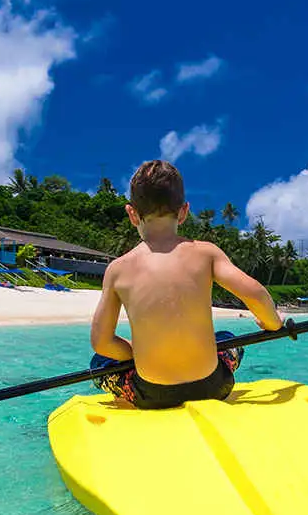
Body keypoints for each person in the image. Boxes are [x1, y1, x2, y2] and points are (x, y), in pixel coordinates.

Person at [89, 159, 283, 409]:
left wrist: (137, 353)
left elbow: (102, 342)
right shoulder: (206, 253)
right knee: (226, 339)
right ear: (183, 211)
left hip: (151, 394)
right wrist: (273, 323)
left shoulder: (117, 270)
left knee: (99, 362)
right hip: (213, 386)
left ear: (132, 213)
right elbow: (256, 293)